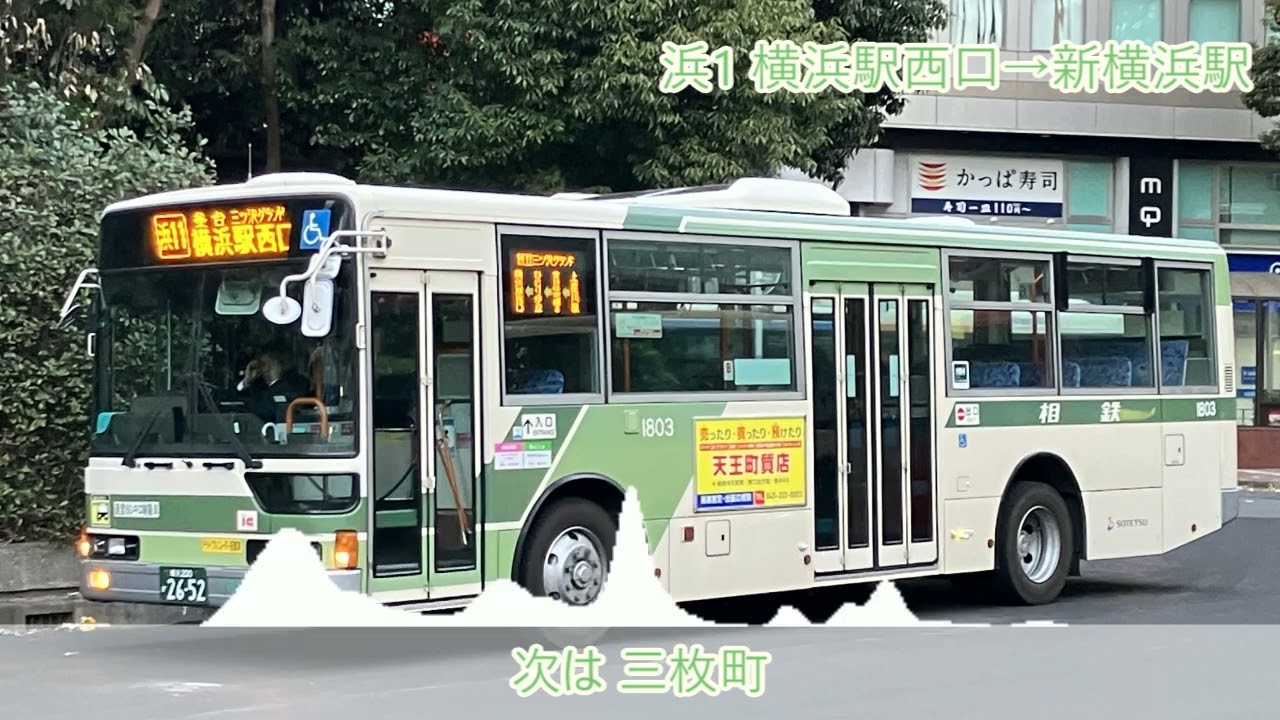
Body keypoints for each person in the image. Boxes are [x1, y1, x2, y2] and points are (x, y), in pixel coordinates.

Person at [237, 348, 310, 423]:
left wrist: (275, 379)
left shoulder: (297, 383)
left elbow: (270, 410)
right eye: (262, 365)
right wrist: (246, 382)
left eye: (268, 364)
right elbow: (238, 406)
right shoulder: (258, 386)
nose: (265, 370)